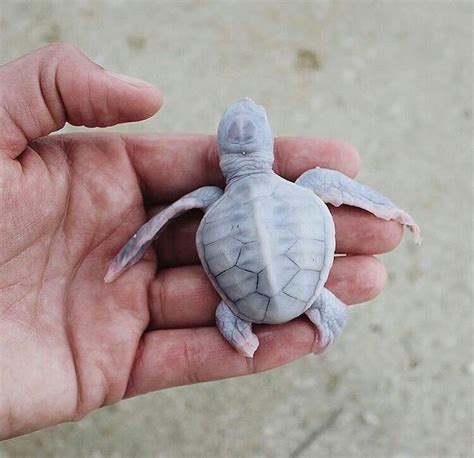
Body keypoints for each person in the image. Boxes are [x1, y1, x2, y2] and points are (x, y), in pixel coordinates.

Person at [0, 44, 402, 439]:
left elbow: (165, 217)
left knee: (229, 316)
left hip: (238, 303)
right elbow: (347, 190)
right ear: (268, 146)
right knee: (328, 212)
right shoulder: (308, 185)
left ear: (224, 152)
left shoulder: (208, 199)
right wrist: (389, 208)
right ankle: (310, 319)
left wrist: (129, 253)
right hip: (309, 291)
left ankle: (239, 331)